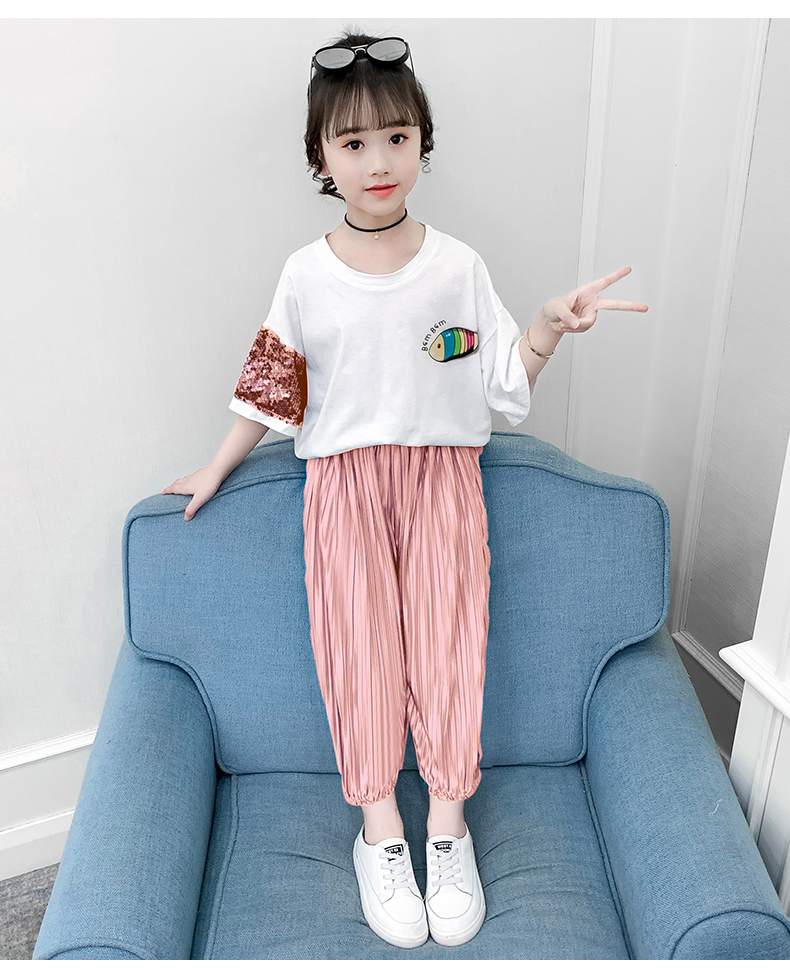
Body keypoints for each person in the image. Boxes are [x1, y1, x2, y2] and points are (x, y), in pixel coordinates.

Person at [161, 28, 648, 951]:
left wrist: (546, 328)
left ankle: (447, 829)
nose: (379, 161)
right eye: (353, 143)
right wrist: (219, 464)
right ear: (321, 158)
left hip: (443, 483)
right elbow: (272, 386)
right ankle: (380, 828)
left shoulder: (457, 267)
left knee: (451, 644)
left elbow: (500, 385)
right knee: (359, 652)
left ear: (423, 141)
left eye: (397, 136)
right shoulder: (305, 276)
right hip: (342, 488)